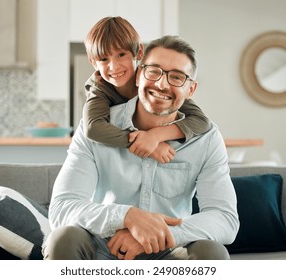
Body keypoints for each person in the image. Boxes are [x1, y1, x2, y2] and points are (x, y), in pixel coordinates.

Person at [43, 35, 239, 260]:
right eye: (154, 71)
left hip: (168, 251)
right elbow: (62, 209)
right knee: (63, 238)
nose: (162, 84)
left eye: (176, 77)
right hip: (102, 247)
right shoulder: (98, 127)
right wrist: (127, 217)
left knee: (212, 252)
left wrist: (158, 234)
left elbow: (225, 219)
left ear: (191, 90)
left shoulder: (206, 139)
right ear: (138, 76)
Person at [82, 16, 210, 163]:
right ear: (93, 63)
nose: (114, 66)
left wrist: (155, 136)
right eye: (104, 59)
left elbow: (201, 121)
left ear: (139, 52)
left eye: (121, 55)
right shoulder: (99, 88)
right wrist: (146, 144)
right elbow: (93, 128)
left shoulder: (151, 80)